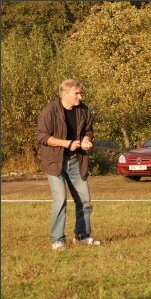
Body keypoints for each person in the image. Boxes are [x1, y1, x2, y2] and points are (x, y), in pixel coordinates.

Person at [36, 79, 101, 250]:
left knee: (85, 200)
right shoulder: (49, 111)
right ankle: (57, 239)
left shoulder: (84, 110)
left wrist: (86, 140)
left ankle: (82, 235)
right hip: (55, 162)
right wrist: (68, 144)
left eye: (80, 93)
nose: (80, 97)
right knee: (60, 200)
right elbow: (42, 137)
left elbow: (88, 130)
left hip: (76, 161)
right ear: (65, 94)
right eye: (77, 93)